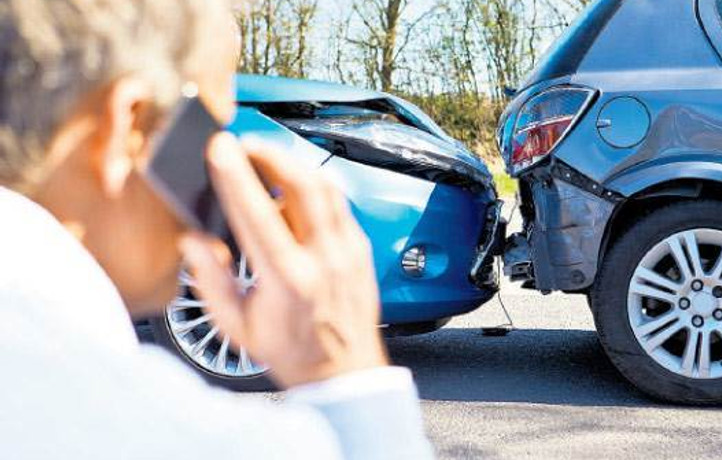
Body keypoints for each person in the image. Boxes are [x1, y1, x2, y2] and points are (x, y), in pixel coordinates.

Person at [0, 0, 433, 459]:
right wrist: (346, 372)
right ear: (128, 128)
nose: (217, 183)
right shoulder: (123, 415)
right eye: (209, 133)